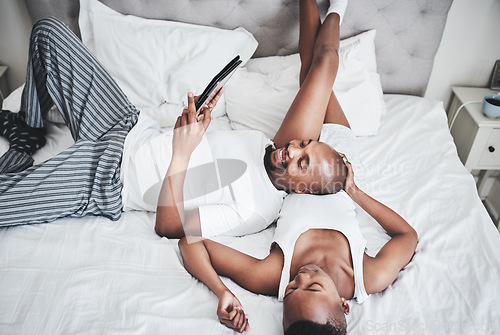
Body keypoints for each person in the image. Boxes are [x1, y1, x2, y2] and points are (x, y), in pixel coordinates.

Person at [0, 0, 347, 238]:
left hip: (109, 178)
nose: (292, 149)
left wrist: (181, 153)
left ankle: (24, 155)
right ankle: (29, 131)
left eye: (302, 161)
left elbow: (168, 226)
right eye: (304, 143)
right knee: (47, 31)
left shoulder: (256, 210)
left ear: (301, 188)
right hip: (127, 125)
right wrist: (199, 127)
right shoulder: (267, 146)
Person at [177, 0, 418, 334]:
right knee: (321, 65)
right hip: (337, 164)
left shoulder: (273, 275)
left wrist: (223, 290)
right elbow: (408, 236)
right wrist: (353, 190)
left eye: (292, 289)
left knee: (319, 67)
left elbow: (190, 242)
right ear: (344, 305)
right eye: (314, 286)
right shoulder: (369, 276)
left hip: (296, 169)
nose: (302, 275)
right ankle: (338, 8)